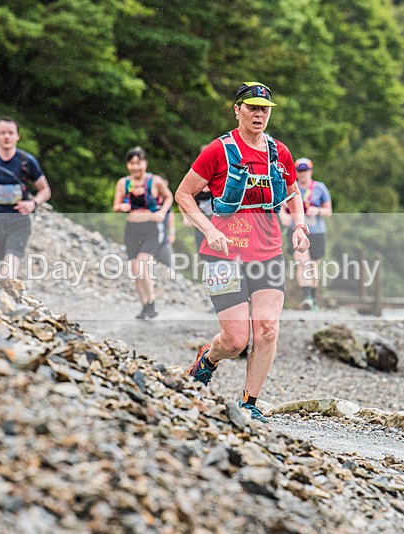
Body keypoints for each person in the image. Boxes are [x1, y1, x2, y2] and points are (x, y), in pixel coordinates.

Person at [175, 82, 310, 422]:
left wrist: (299, 227)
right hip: (223, 254)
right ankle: (208, 359)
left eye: (264, 109)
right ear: (237, 110)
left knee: (267, 329)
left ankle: (249, 404)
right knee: (235, 341)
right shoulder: (218, 150)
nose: (259, 114)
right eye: (251, 108)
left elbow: (293, 193)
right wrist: (208, 229)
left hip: (268, 252)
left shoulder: (280, 152)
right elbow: (183, 194)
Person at [0, 117, 51, 279]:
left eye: (10, 133)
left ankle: (8, 286)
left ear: (17, 136)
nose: (7, 136)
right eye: (2, 133)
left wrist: (33, 204)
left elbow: (45, 190)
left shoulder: (27, 162)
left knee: (11, 261)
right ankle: (5, 296)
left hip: (19, 221)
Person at [113, 147, 174, 319]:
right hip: (132, 229)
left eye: (138, 163)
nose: (135, 167)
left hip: (151, 230)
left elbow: (169, 197)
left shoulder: (154, 181)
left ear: (145, 163)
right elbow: (116, 205)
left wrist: (162, 213)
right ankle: (144, 304)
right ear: (128, 165)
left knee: (142, 264)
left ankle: (152, 301)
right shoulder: (123, 183)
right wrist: (121, 207)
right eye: (132, 163)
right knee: (135, 270)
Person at [280, 157, 332, 310]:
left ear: (311, 172)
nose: (303, 174)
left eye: (305, 171)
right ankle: (307, 297)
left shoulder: (320, 188)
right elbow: (281, 207)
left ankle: (312, 297)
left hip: (316, 231)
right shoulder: (289, 187)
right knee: (302, 261)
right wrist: (284, 217)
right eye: (299, 171)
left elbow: (328, 211)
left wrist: (318, 210)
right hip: (296, 230)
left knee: (314, 264)